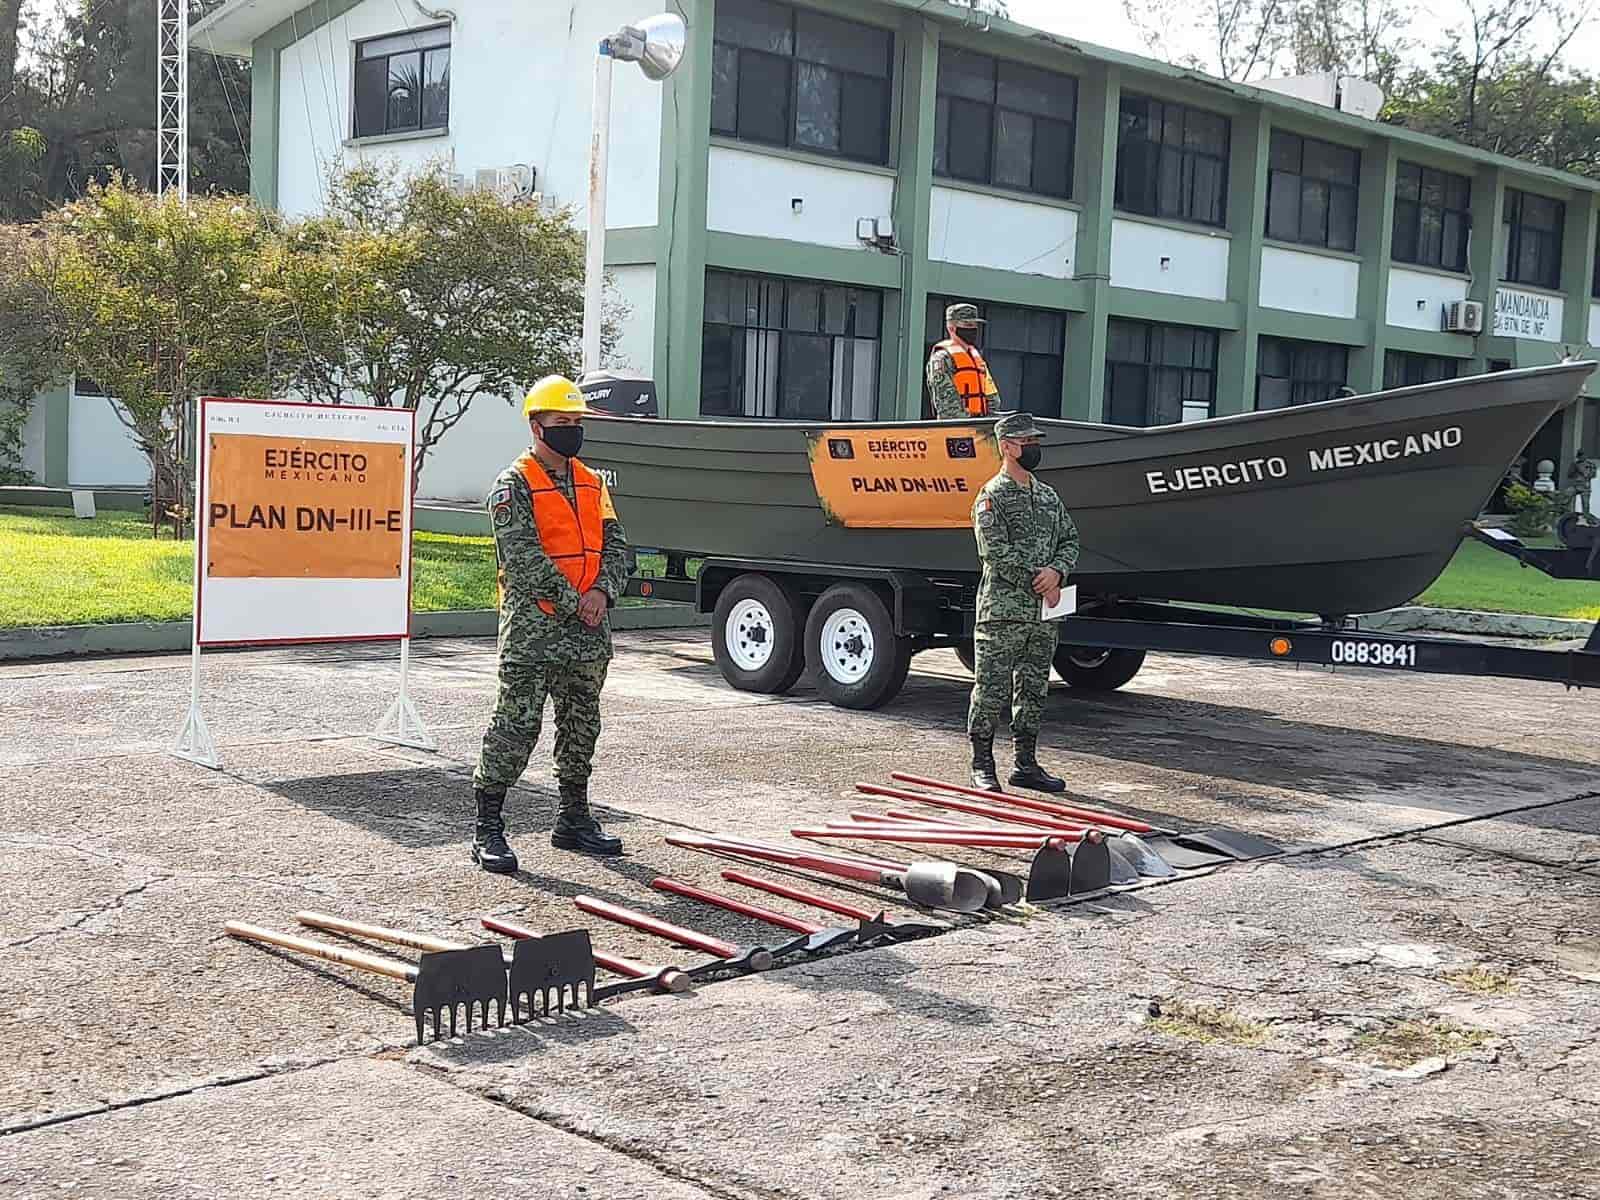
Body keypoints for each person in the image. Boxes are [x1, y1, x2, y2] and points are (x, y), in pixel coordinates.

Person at [470, 375, 631, 872]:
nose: (572, 430)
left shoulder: (592, 481)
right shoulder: (513, 484)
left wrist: (602, 592)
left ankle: (574, 819)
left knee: (582, 728)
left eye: (577, 422)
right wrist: (575, 601)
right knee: (515, 728)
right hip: (534, 633)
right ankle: (488, 828)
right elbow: (521, 558)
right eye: (563, 422)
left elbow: (618, 545)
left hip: (587, 633)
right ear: (536, 425)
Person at [968, 411, 1079, 793]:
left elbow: (1071, 539)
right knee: (991, 688)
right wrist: (1041, 581)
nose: (1033, 447)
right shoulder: (991, 497)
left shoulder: (1047, 495)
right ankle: (982, 763)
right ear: (1007, 447)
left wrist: (1059, 573)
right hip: (1003, 613)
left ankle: (1026, 764)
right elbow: (995, 553)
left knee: (1034, 688)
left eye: (1035, 441)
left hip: (1043, 616)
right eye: (1026, 442)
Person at [927, 302, 1001, 420]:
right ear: (951, 328)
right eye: (967, 325)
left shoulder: (977, 357)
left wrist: (989, 420)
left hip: (982, 426)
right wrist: (968, 423)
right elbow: (946, 403)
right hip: (957, 427)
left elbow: (991, 394)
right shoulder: (942, 357)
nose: (972, 329)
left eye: (974, 325)